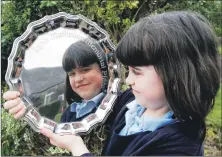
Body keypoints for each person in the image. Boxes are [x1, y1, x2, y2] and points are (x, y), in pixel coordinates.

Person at [3, 11, 220, 156]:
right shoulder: (131, 104)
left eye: (136, 71)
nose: (128, 79)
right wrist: (29, 104)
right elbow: (89, 112)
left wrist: (78, 149)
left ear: (176, 74)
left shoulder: (180, 146)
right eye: (128, 71)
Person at [3, 38, 109, 122]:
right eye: (72, 74)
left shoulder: (117, 104)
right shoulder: (70, 113)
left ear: (103, 68)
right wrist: (25, 113)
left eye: (85, 70)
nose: (78, 79)